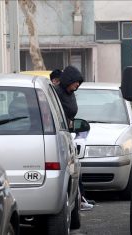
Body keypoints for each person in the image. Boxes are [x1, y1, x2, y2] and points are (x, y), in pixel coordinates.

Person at [54, 65, 94, 211]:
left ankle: (80, 198)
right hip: (60, 134)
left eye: (79, 82)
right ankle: (79, 199)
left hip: (67, 133)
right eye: (76, 81)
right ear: (68, 80)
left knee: (75, 170)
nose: (78, 85)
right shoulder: (58, 93)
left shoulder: (69, 94)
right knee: (71, 170)